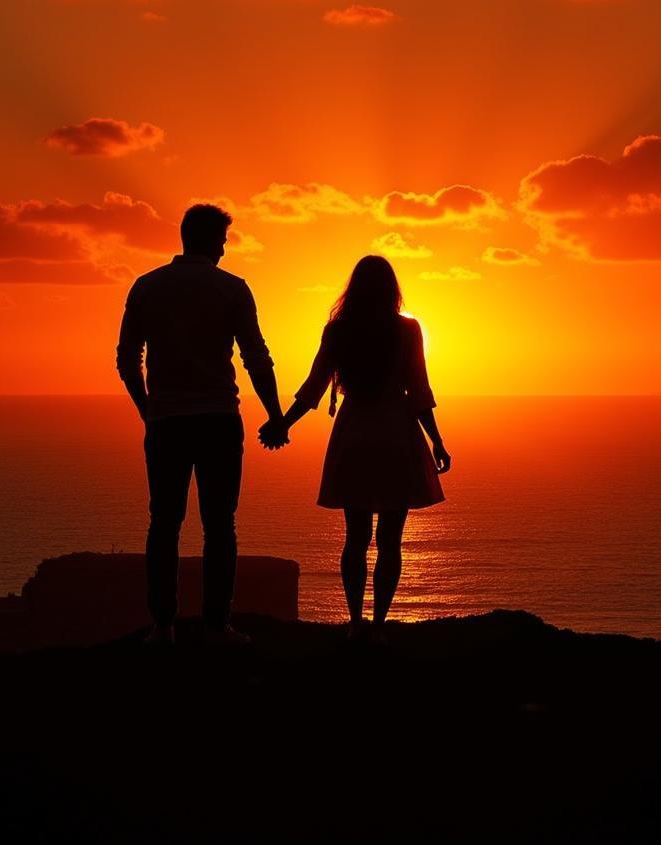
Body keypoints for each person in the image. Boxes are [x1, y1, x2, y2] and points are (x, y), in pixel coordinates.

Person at [117, 204, 285, 646]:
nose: (227, 247)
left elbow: (126, 359)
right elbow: (255, 357)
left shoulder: (147, 287)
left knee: (164, 523)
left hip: (166, 422)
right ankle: (216, 626)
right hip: (218, 420)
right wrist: (274, 413)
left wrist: (146, 408)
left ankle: (162, 626)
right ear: (213, 240)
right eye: (225, 239)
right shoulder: (231, 288)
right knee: (220, 525)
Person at [260, 256, 450, 645]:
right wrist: (437, 440)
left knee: (356, 536)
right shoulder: (408, 330)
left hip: (355, 434)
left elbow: (313, 387)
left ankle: (354, 622)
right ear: (392, 289)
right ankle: (379, 623)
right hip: (398, 433)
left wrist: (283, 423)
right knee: (391, 539)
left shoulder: (338, 331)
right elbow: (419, 391)